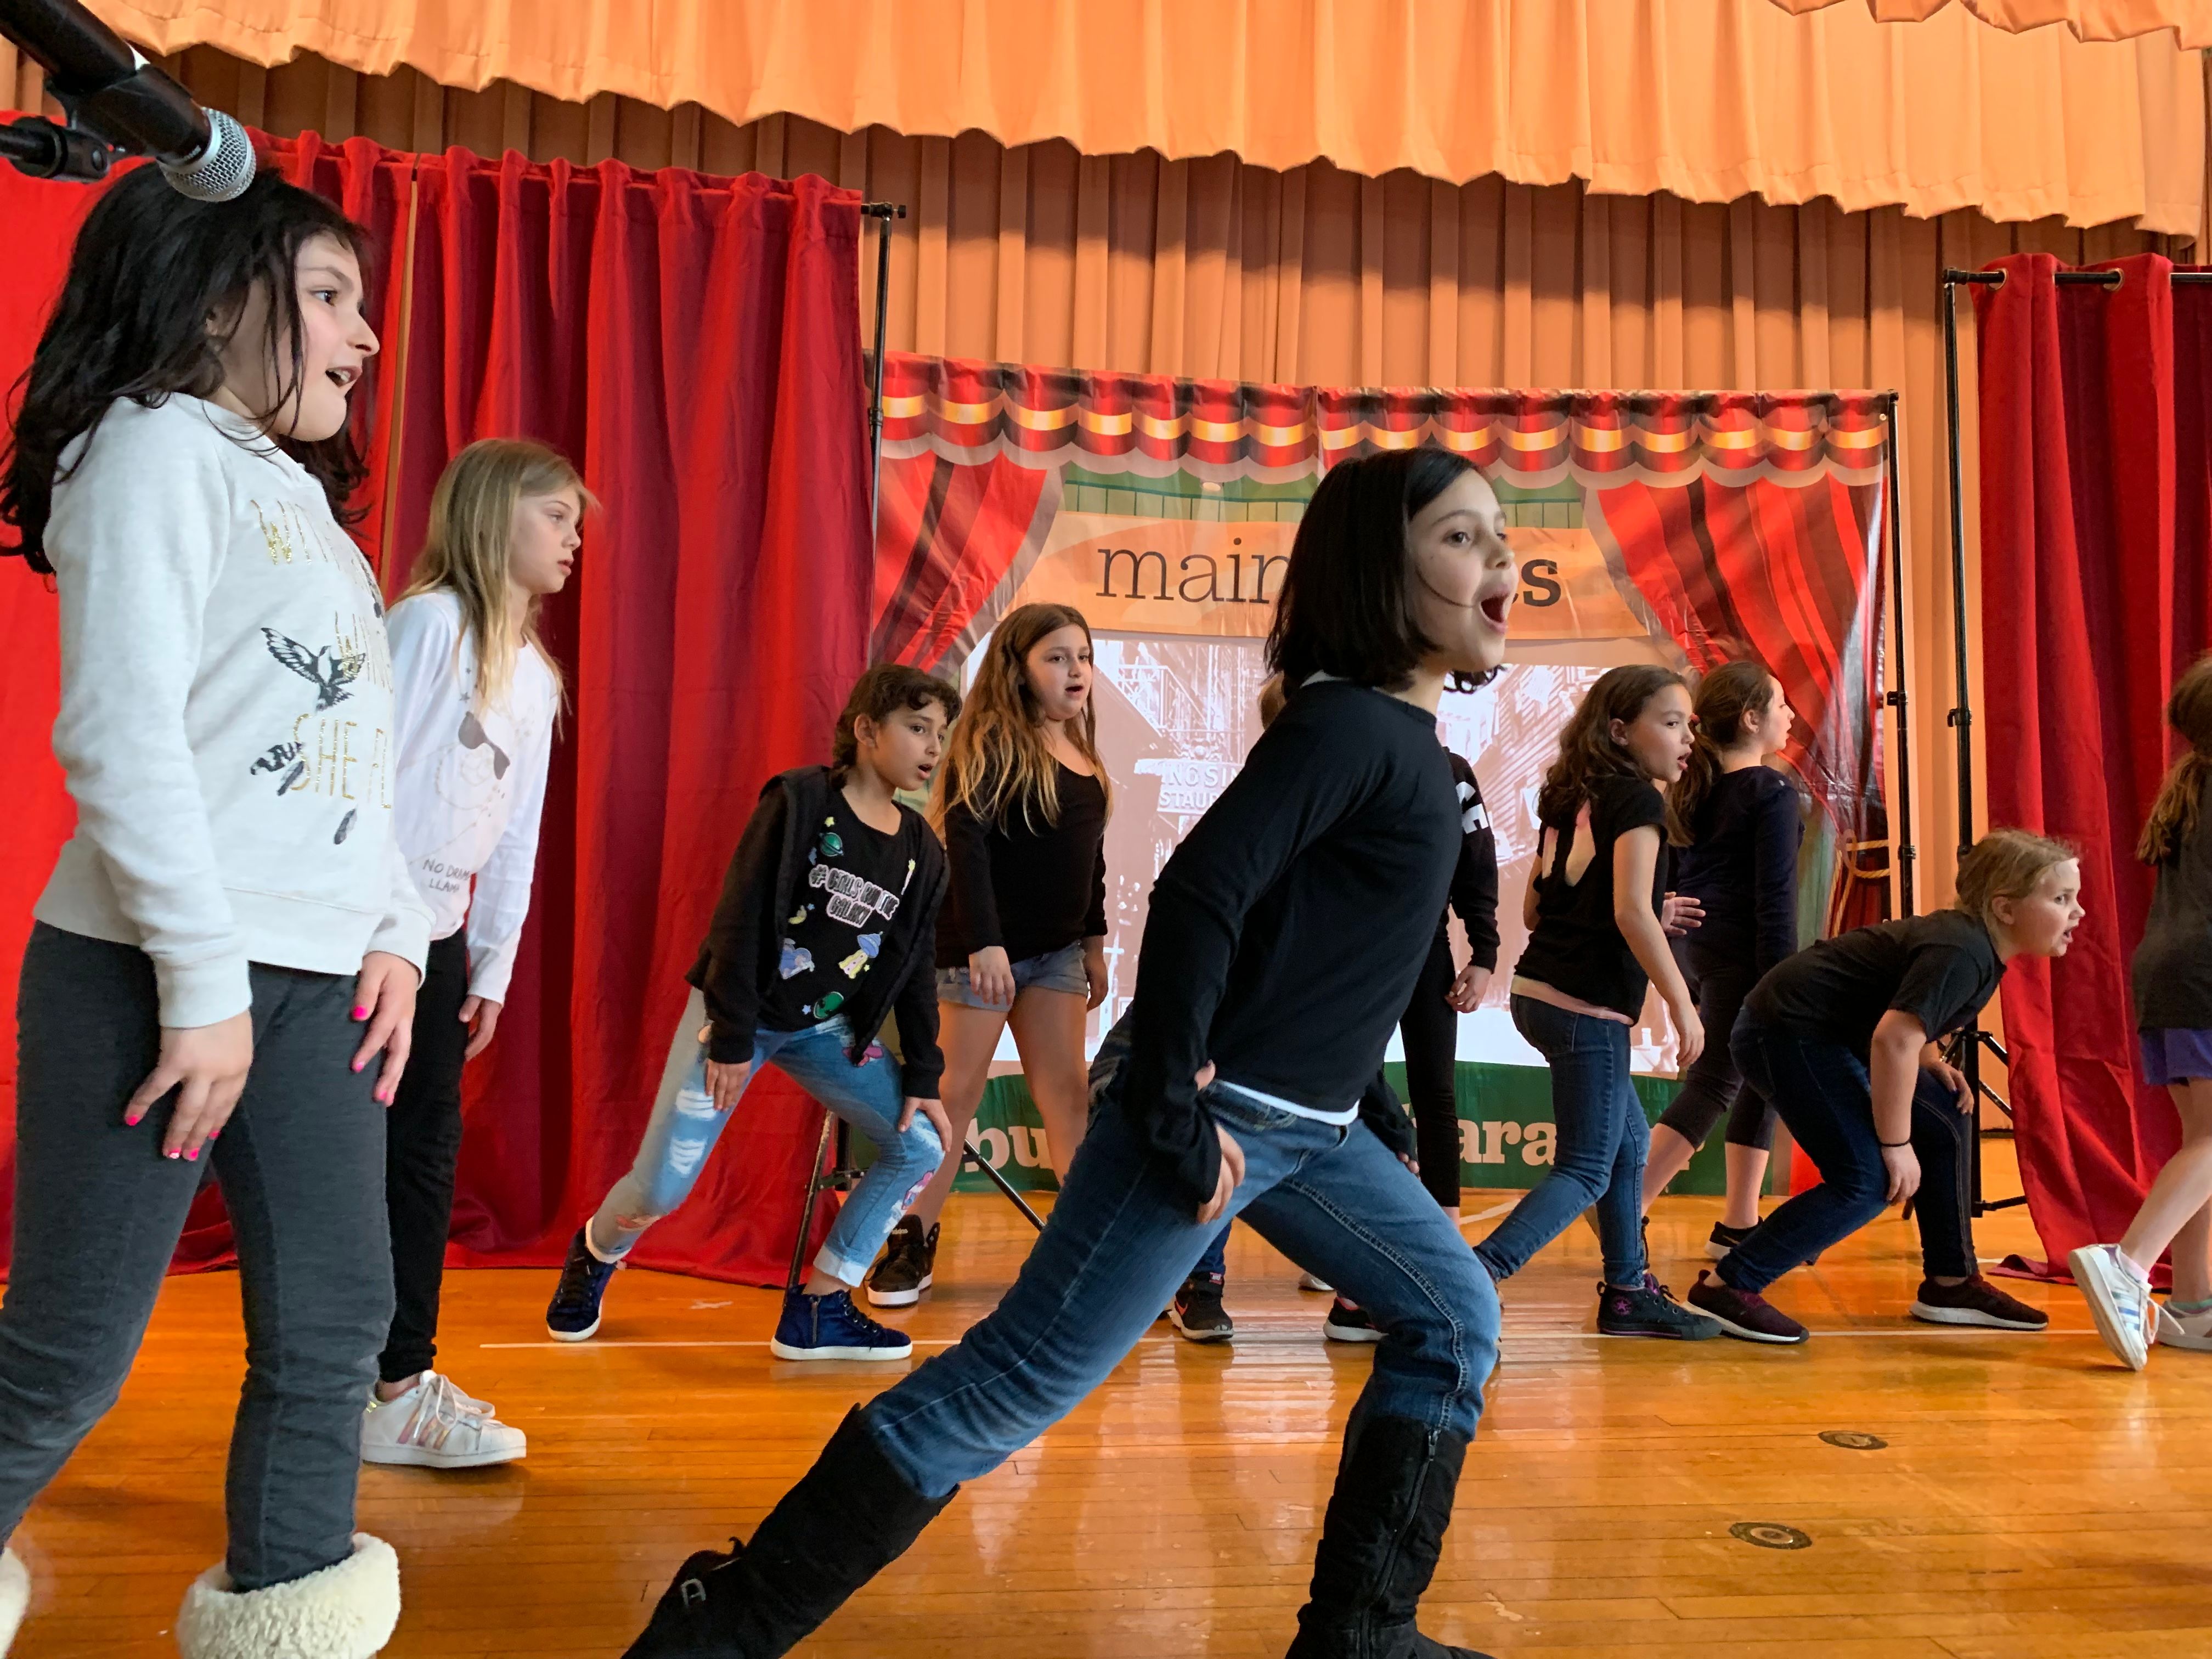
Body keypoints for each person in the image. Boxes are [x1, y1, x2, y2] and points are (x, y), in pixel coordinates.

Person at [622, 444, 1519, 1659]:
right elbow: (1205, 891)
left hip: (1314, 1131)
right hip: (1221, 1119)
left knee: (1454, 1314)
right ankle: (716, 1628)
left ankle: (1361, 1633)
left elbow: (1307, 943)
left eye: (1501, 536)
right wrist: (1168, 1100)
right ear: (1379, 571)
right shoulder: (1349, 728)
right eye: (1462, 537)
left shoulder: (1405, 746)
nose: (1500, 560)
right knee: (1016, 1382)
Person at [0, 168, 430, 1657]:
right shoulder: (150, 452)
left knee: (331, 1330)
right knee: (67, 1353)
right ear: (212, 298)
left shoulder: (299, 500)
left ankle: (286, 1619)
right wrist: (202, 985)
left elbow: (343, 760)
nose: (364, 336)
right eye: (328, 297)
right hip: (152, 978)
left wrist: (397, 930)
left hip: (312, 989)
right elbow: (121, 736)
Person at [543, 665, 959, 1359]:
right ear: (865, 729)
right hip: (738, 1014)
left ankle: (821, 1309)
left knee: (920, 1145)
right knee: (662, 1189)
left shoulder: (921, 851)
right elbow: (739, 919)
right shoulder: (800, 803)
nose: (932, 748)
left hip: (822, 1029)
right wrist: (732, 1038)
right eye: (918, 728)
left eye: (940, 735)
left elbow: (913, 965)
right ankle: (596, 1249)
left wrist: (924, 1074)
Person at [358, 439, 580, 1470]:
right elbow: (368, 788)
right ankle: (362, 1375)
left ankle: (399, 1377)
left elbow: (517, 830)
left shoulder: (533, 674)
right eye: (556, 516)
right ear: (496, 519)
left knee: (422, 1161)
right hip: (362, 941)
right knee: (348, 1159)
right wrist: (381, 939)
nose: (573, 537)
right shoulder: (428, 625)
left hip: (439, 951)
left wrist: (487, 963)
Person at [1687, 830, 2080, 1343]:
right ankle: (1728, 1285)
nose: (2078, 913)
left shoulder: (1976, 945)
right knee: (1869, 1179)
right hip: (1784, 1034)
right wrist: (1896, 1145)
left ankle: (1951, 1283)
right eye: (2061, 899)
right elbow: (1893, 1039)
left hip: (1824, 1034)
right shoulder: (1963, 951)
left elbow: (1903, 1007)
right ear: (2005, 908)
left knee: (1945, 1112)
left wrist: (1929, 1056)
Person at [866, 603, 1110, 1307]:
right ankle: (912, 1239)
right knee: (952, 1097)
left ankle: (1088, 1252)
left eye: (1083, 658)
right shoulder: (990, 746)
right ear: (1019, 667)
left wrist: (1093, 945)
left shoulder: (1084, 755)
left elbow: (1087, 863)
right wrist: (986, 945)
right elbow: (965, 851)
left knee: (1066, 1097)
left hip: (1057, 956)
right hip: (979, 952)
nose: (1076, 671)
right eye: (1057, 658)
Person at [1471, 667, 1722, 1339]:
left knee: (1628, 1148)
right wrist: (1682, 1003)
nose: (1688, 737)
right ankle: (1470, 1275)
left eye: (1690, 724)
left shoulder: (1567, 794)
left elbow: (1535, 905)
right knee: (1586, 1167)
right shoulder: (1638, 800)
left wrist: (1637, 907)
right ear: (1620, 731)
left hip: (1537, 993)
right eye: (1671, 723)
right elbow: (1631, 916)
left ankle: (1628, 1289)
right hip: (1585, 1009)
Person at [2072, 654, 2212, 1369]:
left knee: (2206, 1147)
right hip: (2205, 978)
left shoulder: (2192, 785)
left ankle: (2194, 1307)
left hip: (2171, 978)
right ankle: (2127, 1264)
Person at [1640, 661, 1801, 1254]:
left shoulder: (1694, 790)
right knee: (1715, 1082)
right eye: (1780, 705)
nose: (1790, 716)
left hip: (1700, 951)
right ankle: (1628, 1204)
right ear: (1752, 718)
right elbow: (1776, 896)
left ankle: (1739, 1223)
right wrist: (1783, 981)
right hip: (1744, 952)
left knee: (1757, 1077)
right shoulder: (1771, 791)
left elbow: (1673, 881)